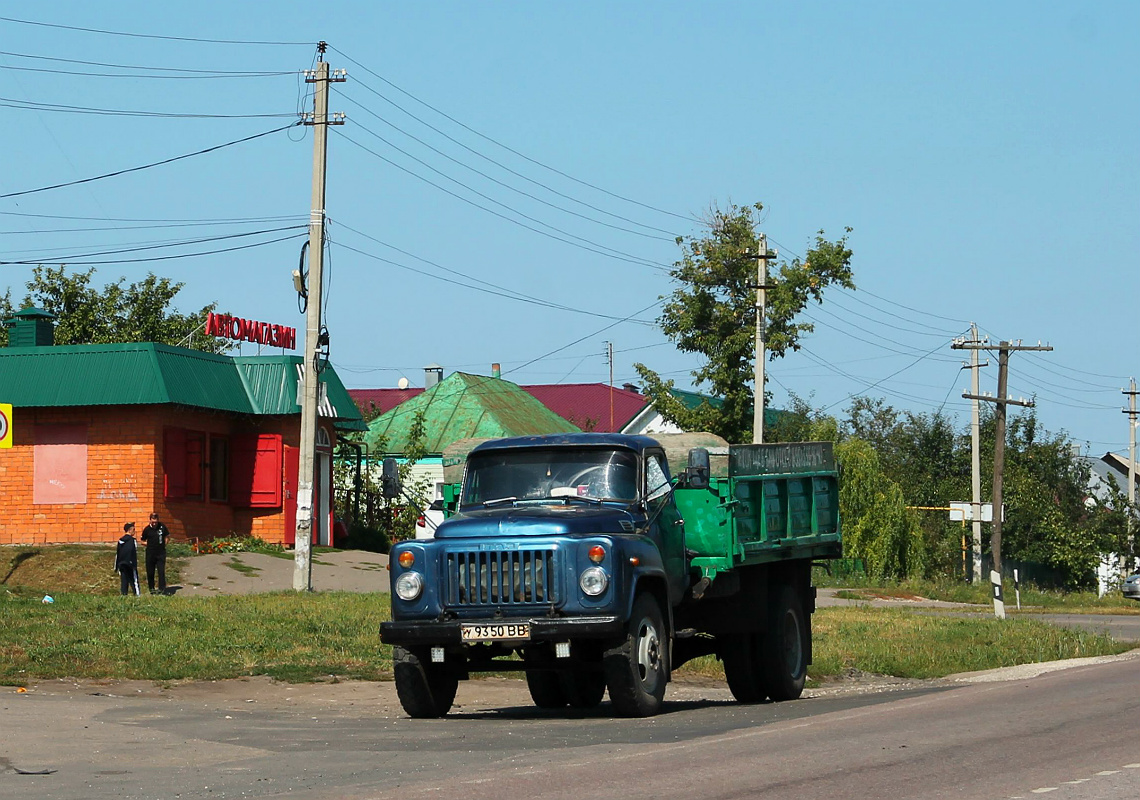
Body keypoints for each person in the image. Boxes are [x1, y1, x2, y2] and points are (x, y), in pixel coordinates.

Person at [141, 511, 170, 594]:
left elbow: (167, 536)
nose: (154, 524)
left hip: (161, 553)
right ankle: (152, 589)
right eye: (153, 522)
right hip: (150, 553)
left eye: (156, 522)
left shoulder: (162, 527)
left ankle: (162, 589)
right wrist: (149, 544)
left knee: (161, 572)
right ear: (150, 520)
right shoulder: (147, 529)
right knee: (150, 572)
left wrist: (165, 543)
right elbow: (142, 541)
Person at [115, 523, 140, 596]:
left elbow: (118, 553)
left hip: (122, 563)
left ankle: (123, 595)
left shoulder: (120, 540)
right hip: (130, 564)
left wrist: (116, 566)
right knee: (134, 580)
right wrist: (134, 565)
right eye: (133, 530)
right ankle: (137, 595)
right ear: (129, 530)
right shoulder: (132, 541)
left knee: (124, 581)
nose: (134, 531)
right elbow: (133, 553)